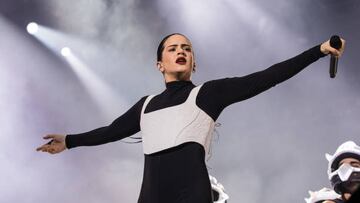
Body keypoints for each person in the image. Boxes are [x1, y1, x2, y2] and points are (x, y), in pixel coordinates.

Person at [36, 33, 345, 203]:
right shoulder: (145, 105)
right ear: (160, 63)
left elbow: (266, 77)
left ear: (194, 63)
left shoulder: (209, 94)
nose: (181, 51)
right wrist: (70, 141)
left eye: (187, 48)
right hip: (151, 194)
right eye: (173, 48)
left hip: (192, 193)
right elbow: (112, 130)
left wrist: (318, 51)